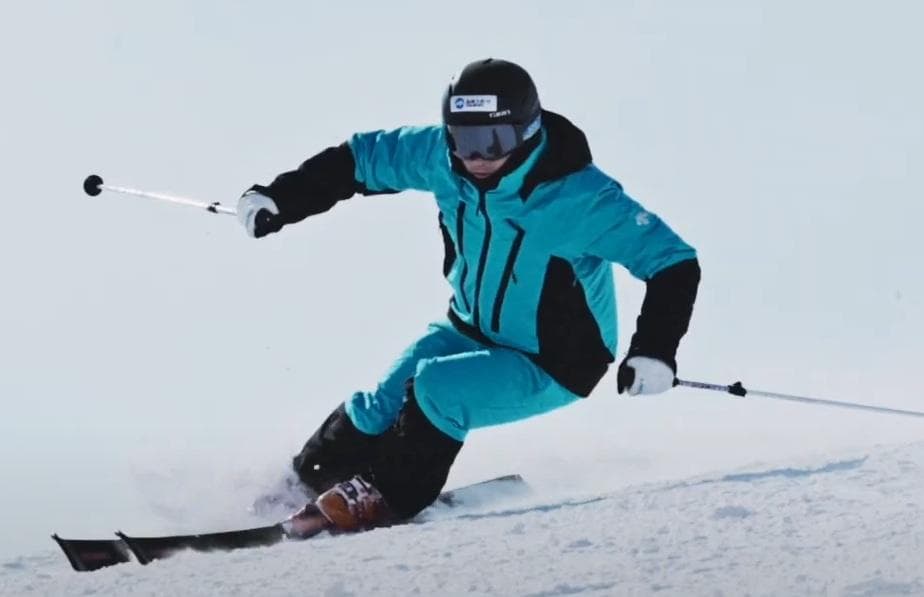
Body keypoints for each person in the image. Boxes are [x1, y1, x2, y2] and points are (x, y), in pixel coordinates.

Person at [237, 58, 700, 531]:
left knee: (439, 389)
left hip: (552, 361)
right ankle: (299, 486)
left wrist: (654, 350)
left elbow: (673, 262)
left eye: (493, 141)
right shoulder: (442, 159)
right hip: (467, 328)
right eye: (464, 140)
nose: (476, 157)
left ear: (527, 132)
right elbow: (360, 159)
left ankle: (384, 496)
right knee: (380, 404)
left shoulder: (581, 198)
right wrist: (280, 199)